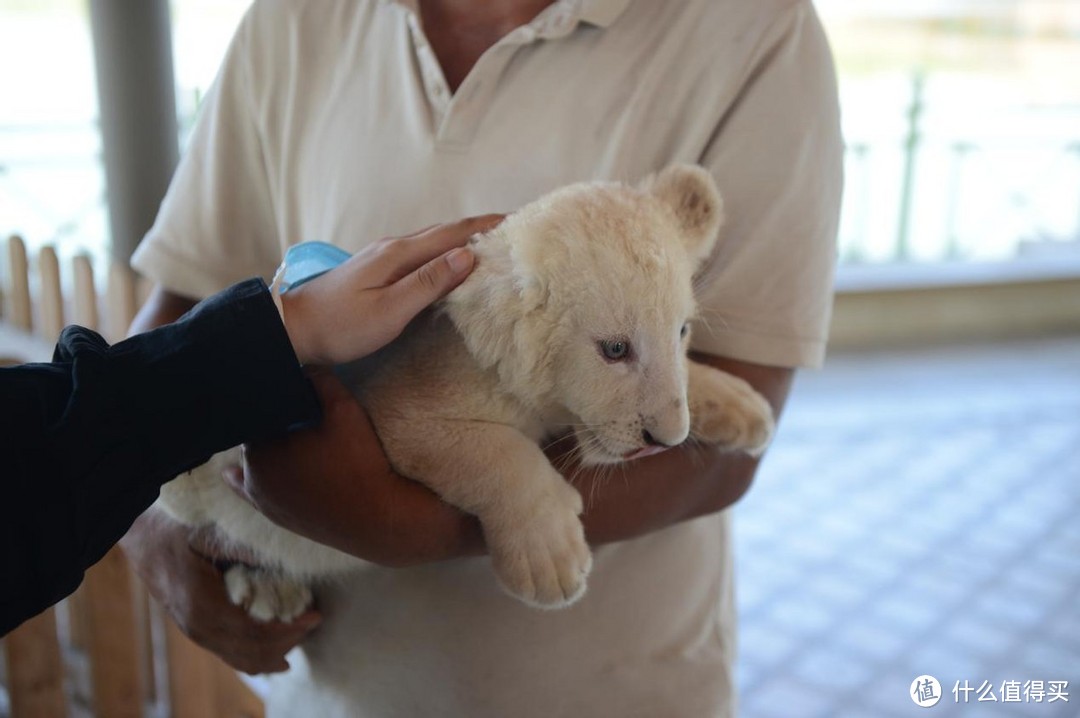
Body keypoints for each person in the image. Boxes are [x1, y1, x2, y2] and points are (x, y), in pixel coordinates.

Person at [124, 0, 844, 713]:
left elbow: (730, 443)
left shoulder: (759, 25)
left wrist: (403, 526)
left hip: (617, 692)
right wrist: (151, 528)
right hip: (334, 690)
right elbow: (176, 314)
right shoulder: (291, 18)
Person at [0, 218, 492, 637]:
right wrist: (155, 537)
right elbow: (40, 466)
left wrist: (289, 330)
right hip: (322, 670)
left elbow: (44, 452)